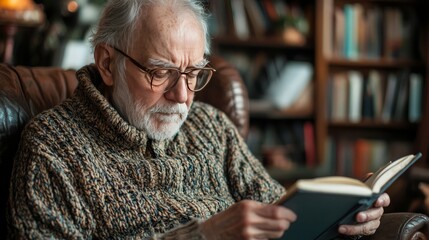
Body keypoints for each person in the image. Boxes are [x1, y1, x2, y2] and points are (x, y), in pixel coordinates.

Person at [8, 0, 390, 239]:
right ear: (108, 63)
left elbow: (283, 213)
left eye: (193, 73)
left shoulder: (212, 127)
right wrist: (203, 237)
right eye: (160, 72)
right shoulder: (53, 149)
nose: (182, 96)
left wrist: (346, 220)